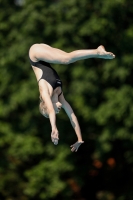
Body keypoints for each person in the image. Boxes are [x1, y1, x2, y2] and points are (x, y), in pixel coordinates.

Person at [29, 43, 115, 152]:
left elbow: (50, 110)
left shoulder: (44, 91)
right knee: (66, 57)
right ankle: (97, 53)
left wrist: (53, 128)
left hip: (35, 54)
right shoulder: (60, 97)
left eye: (55, 112)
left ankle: (97, 52)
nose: (57, 112)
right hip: (43, 57)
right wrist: (79, 139)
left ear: (48, 104)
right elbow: (72, 116)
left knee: (67, 59)